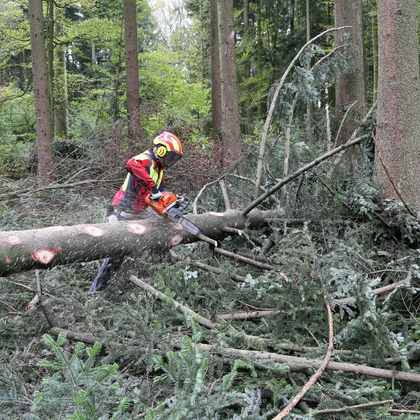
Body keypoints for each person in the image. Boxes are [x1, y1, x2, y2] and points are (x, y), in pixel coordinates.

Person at [89, 131, 183, 292]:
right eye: (170, 157)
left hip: (139, 213)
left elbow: (161, 191)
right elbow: (131, 164)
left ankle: (156, 276)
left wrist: (171, 202)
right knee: (116, 256)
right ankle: (95, 291)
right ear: (161, 150)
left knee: (161, 235)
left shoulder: (159, 170)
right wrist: (152, 188)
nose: (171, 161)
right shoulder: (145, 159)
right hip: (122, 212)